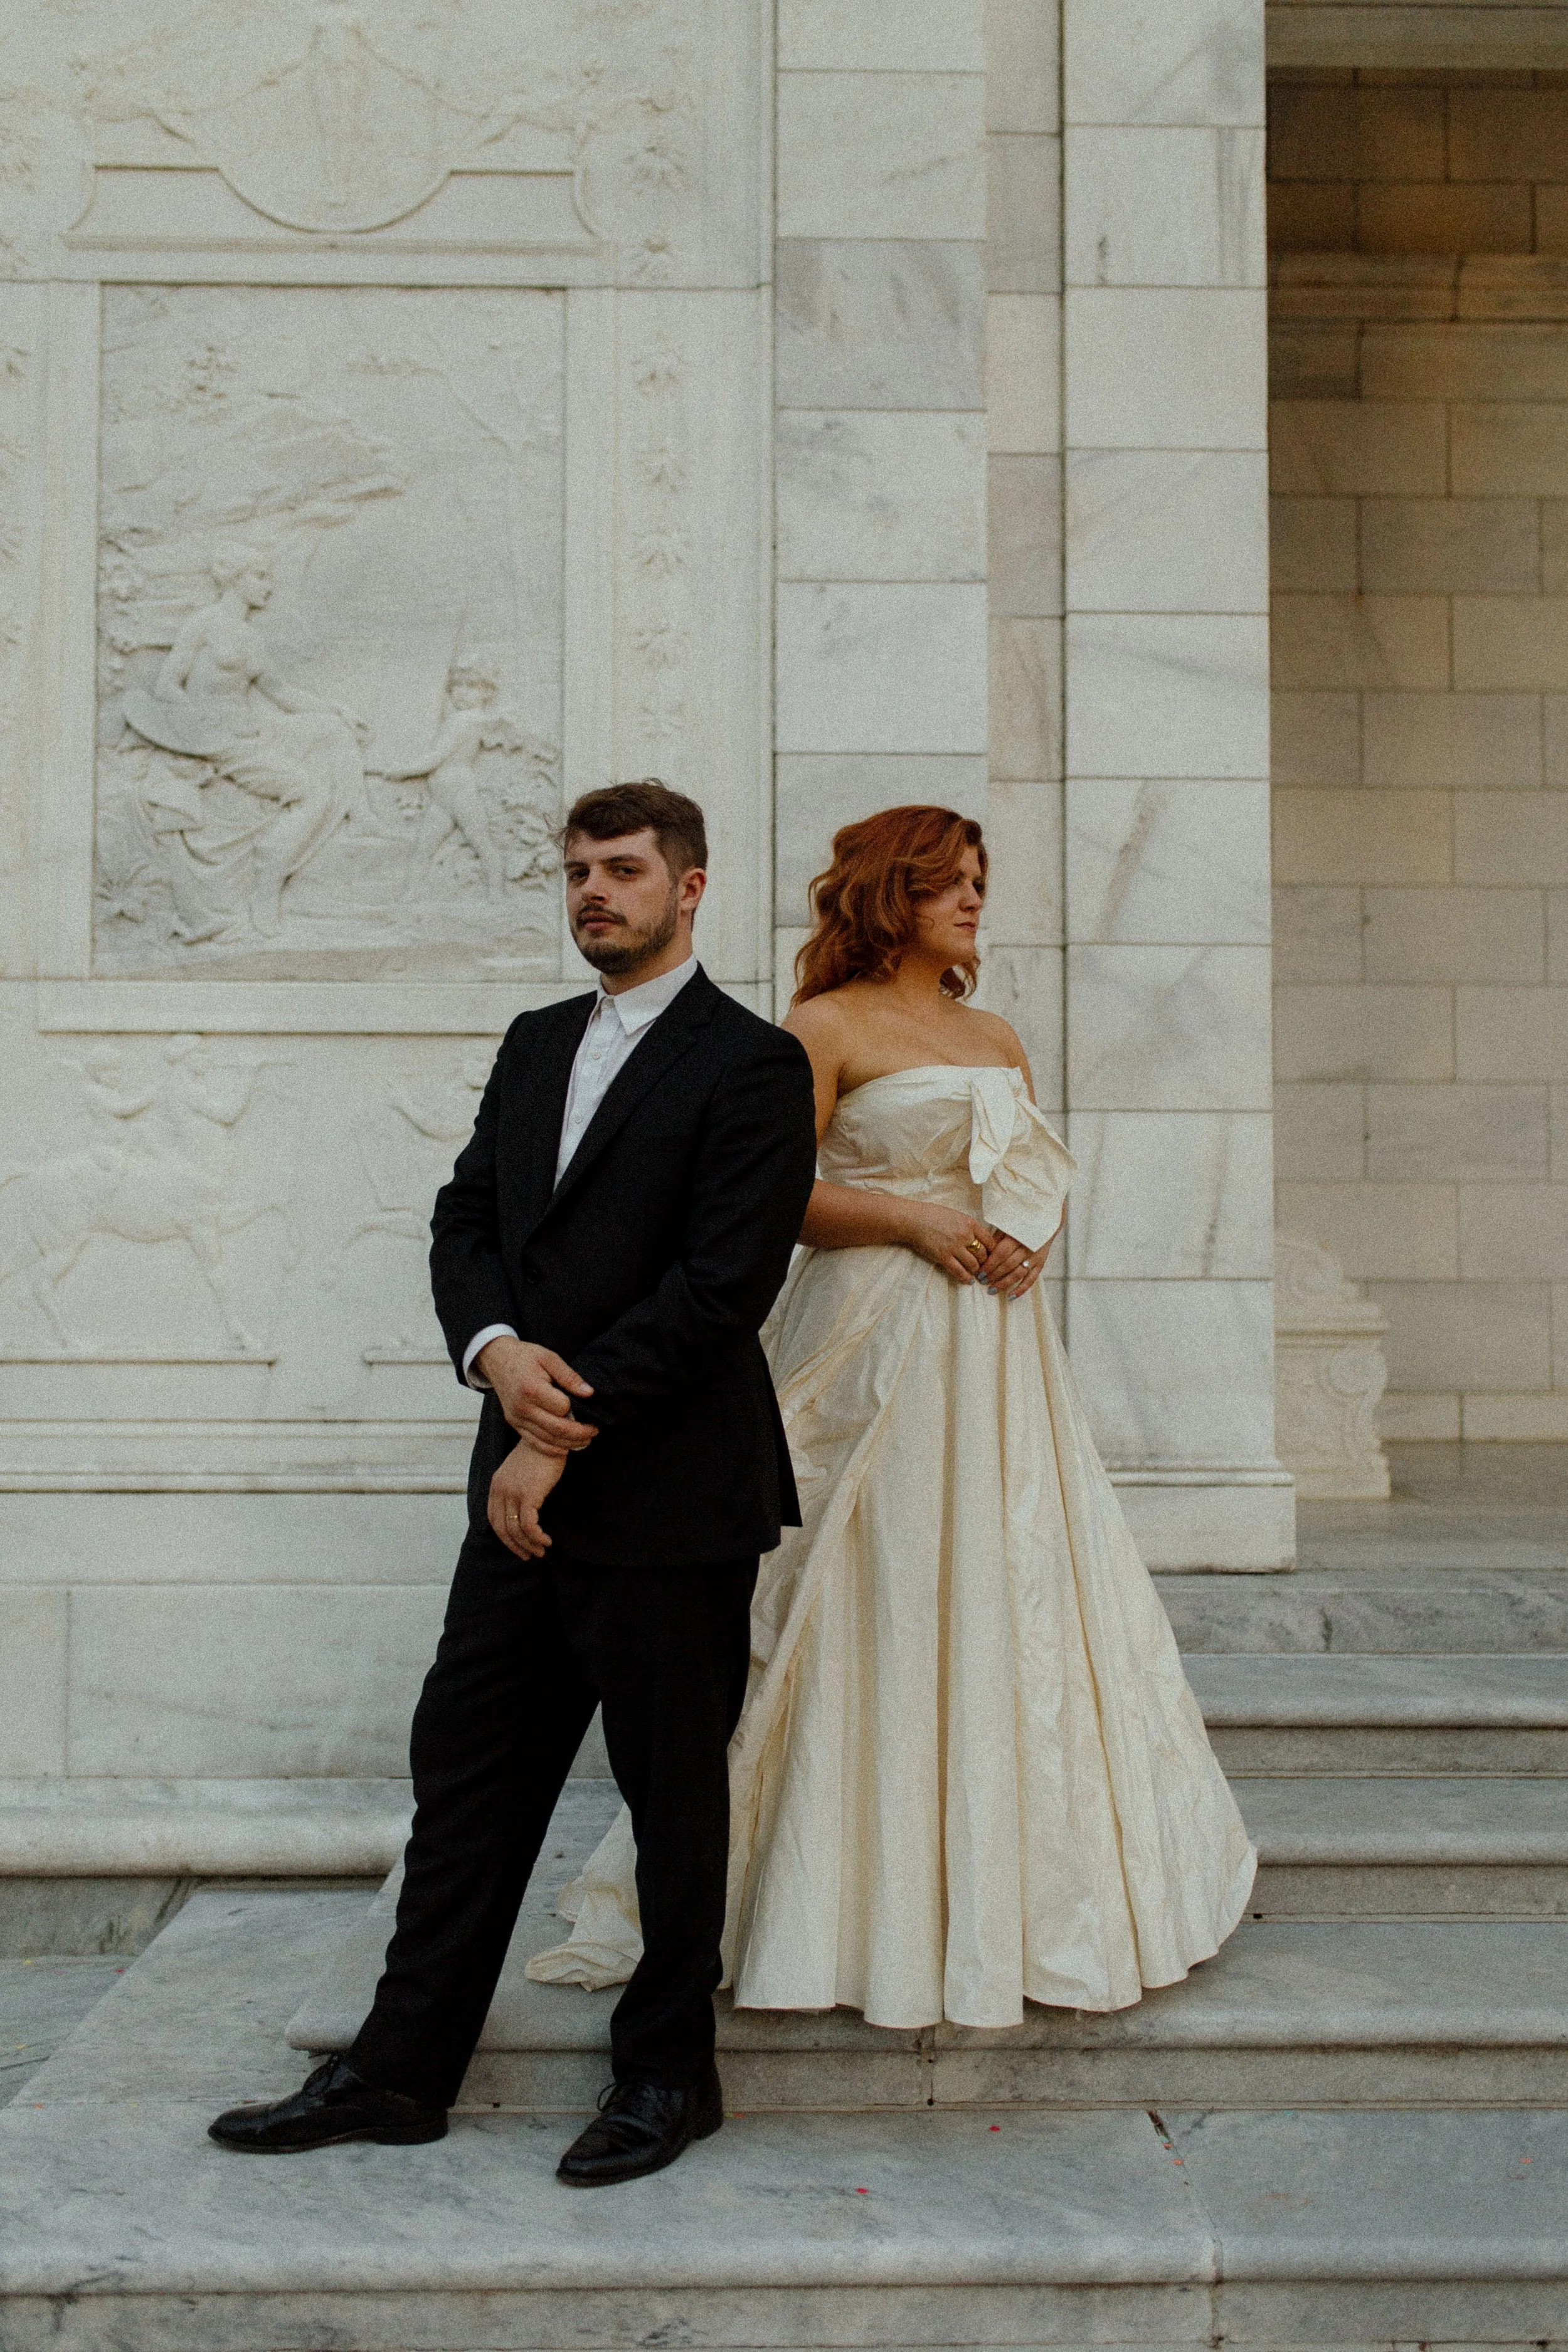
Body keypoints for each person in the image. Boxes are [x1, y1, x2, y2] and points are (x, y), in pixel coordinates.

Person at [528, 804, 1256, 2027]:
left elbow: (1029, 1172)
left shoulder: (992, 1032)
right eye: (947, 883)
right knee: (861, 1580)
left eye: (978, 880)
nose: (974, 901)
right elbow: (766, 1200)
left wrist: (1034, 1235)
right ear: (887, 891)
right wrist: (911, 1219)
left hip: (994, 1348)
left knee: (1002, 1585)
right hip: (870, 1332)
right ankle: (828, 1893)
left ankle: (1016, 1893)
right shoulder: (821, 1028)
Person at [207, 780, 819, 2184]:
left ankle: (668, 2079)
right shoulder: (535, 1041)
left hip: (666, 1501)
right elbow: (466, 1215)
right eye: (575, 872)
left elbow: (722, 1287)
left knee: (670, 1800)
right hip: (518, 1501)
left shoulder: (753, 1063)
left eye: (620, 869)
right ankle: (398, 2072)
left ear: (692, 886)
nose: (592, 892)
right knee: (466, 1779)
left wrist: (554, 1429)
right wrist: (490, 1355)